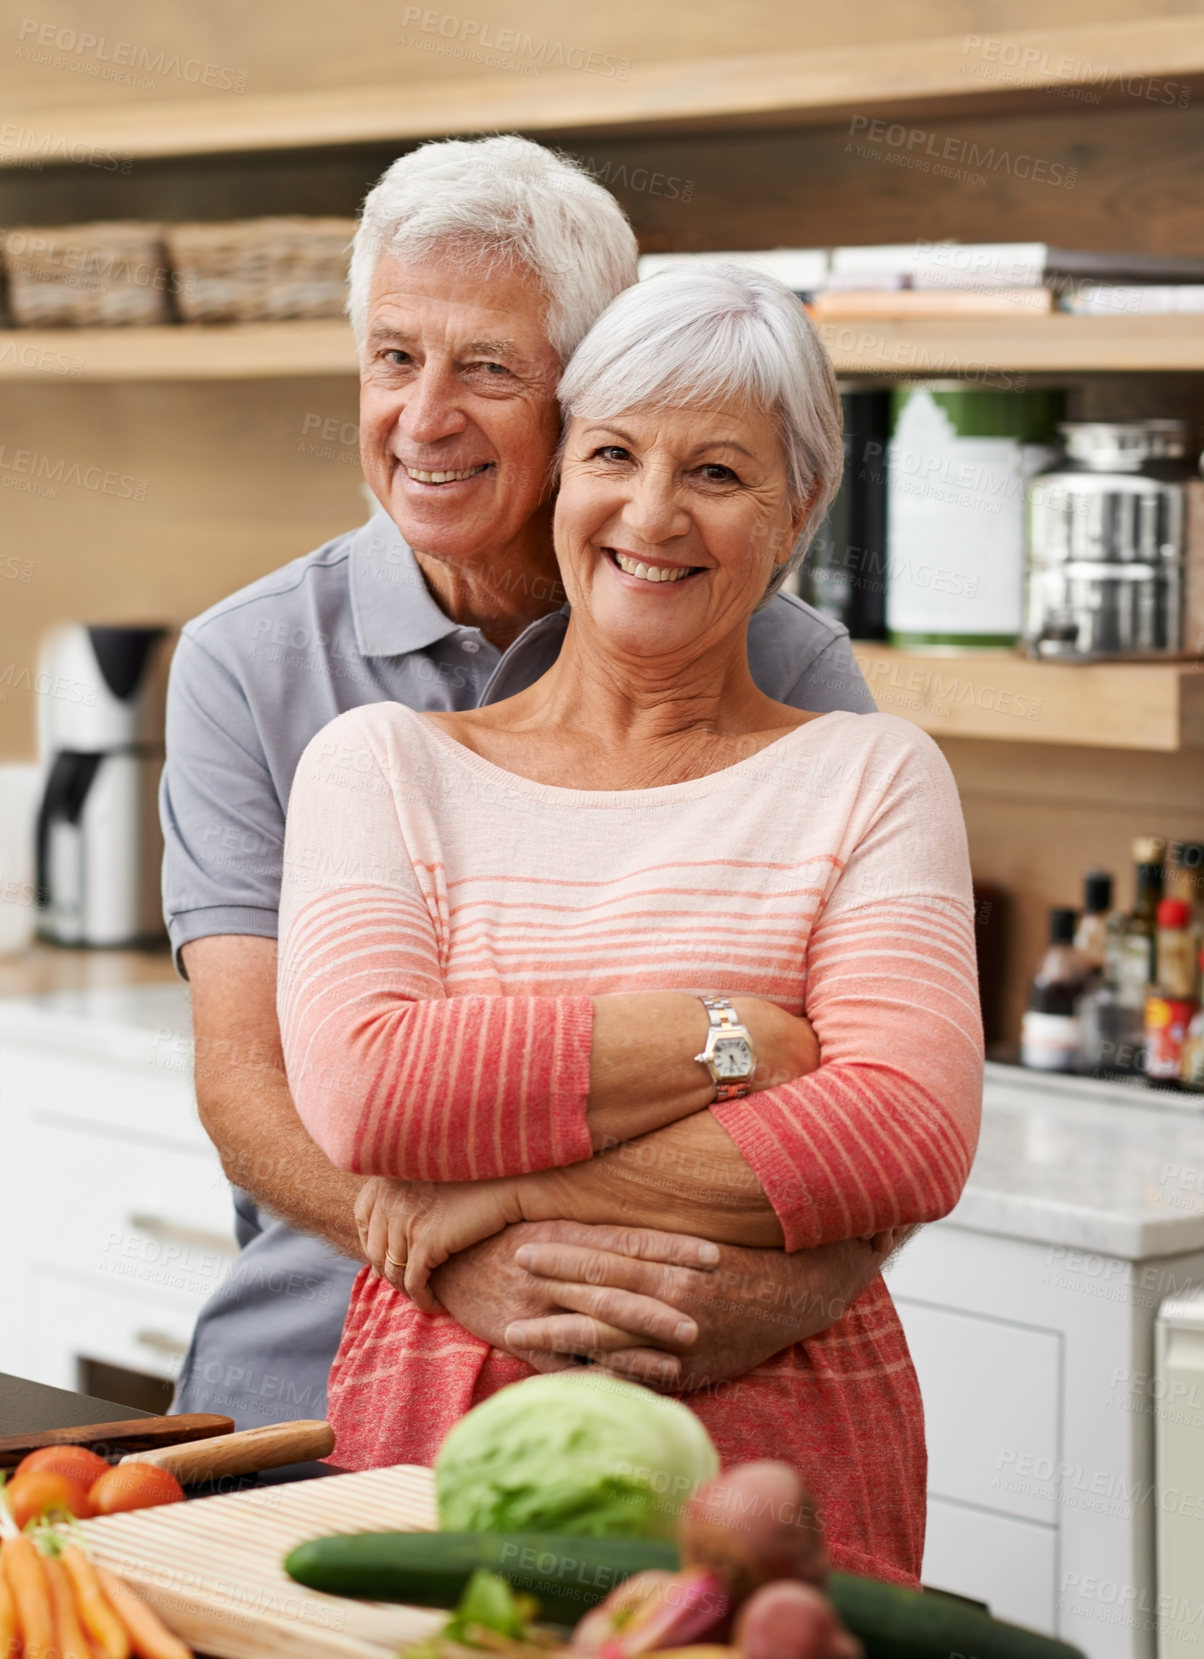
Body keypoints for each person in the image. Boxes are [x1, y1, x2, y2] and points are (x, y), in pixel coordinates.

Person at [162, 135, 887, 1437]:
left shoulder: (785, 666)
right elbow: (248, 1086)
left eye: (488, 368)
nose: (423, 418)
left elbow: (876, 1109)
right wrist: (463, 1263)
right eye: (395, 357)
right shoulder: (249, 662)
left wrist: (788, 1299)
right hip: (308, 1387)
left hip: (674, 1391)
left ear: (586, 387)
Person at [276, 264, 984, 1585]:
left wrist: (500, 1187)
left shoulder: (872, 776)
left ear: (800, 510)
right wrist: (734, 1042)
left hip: (788, 1481)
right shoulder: (380, 769)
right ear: (563, 479)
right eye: (613, 453)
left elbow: (906, 1127)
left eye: (718, 472)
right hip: (449, 1444)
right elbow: (372, 1094)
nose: (653, 514)